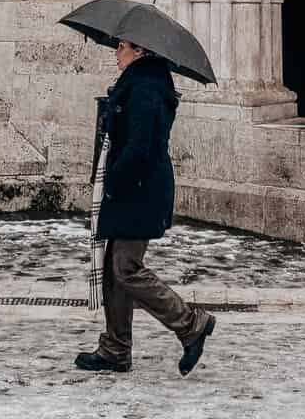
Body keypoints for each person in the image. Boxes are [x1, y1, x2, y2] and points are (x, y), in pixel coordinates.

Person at [75, 39, 215, 377]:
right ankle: (115, 349)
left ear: (140, 50)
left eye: (122, 46)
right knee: (114, 269)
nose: (116, 52)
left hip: (138, 190)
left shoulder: (147, 87)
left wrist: (113, 184)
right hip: (134, 188)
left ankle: (190, 322)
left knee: (126, 268)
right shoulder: (139, 82)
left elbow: (139, 146)